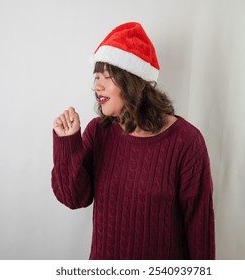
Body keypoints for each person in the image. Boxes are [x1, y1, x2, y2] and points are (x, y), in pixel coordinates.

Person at [51, 22, 215, 260]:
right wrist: (69, 143)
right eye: (96, 77)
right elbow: (73, 197)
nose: (98, 86)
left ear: (133, 81)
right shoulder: (98, 132)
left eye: (108, 77)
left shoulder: (186, 142)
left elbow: (200, 231)